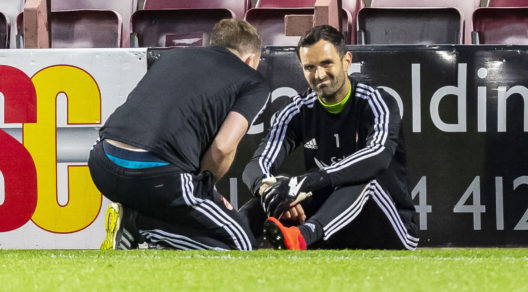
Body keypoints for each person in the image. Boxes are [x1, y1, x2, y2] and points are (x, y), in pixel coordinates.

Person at [89, 18, 270, 251]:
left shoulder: (173, 56)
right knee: (240, 243)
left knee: (174, 206)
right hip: (156, 175)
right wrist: (203, 189)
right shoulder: (253, 80)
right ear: (250, 60)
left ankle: (136, 217)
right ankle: (142, 227)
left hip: (102, 161)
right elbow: (222, 148)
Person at [241, 25, 419, 250]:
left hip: (389, 229)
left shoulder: (376, 101)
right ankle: (232, 233)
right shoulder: (297, 109)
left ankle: (302, 236)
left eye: (326, 63)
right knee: (279, 188)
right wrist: (268, 190)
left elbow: (377, 156)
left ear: (346, 61)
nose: (319, 74)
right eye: (309, 67)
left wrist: (307, 181)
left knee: (363, 179)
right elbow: (257, 165)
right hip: (330, 226)